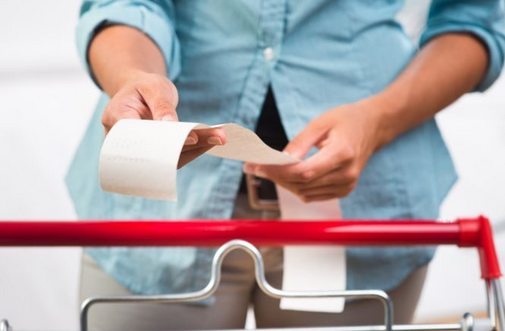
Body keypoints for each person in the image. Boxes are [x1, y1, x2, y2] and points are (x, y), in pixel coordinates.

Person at [67, 1, 505, 330]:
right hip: (163, 211)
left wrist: (378, 121)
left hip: (363, 205)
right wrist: (132, 77)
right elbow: (124, 5)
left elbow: (473, 20)